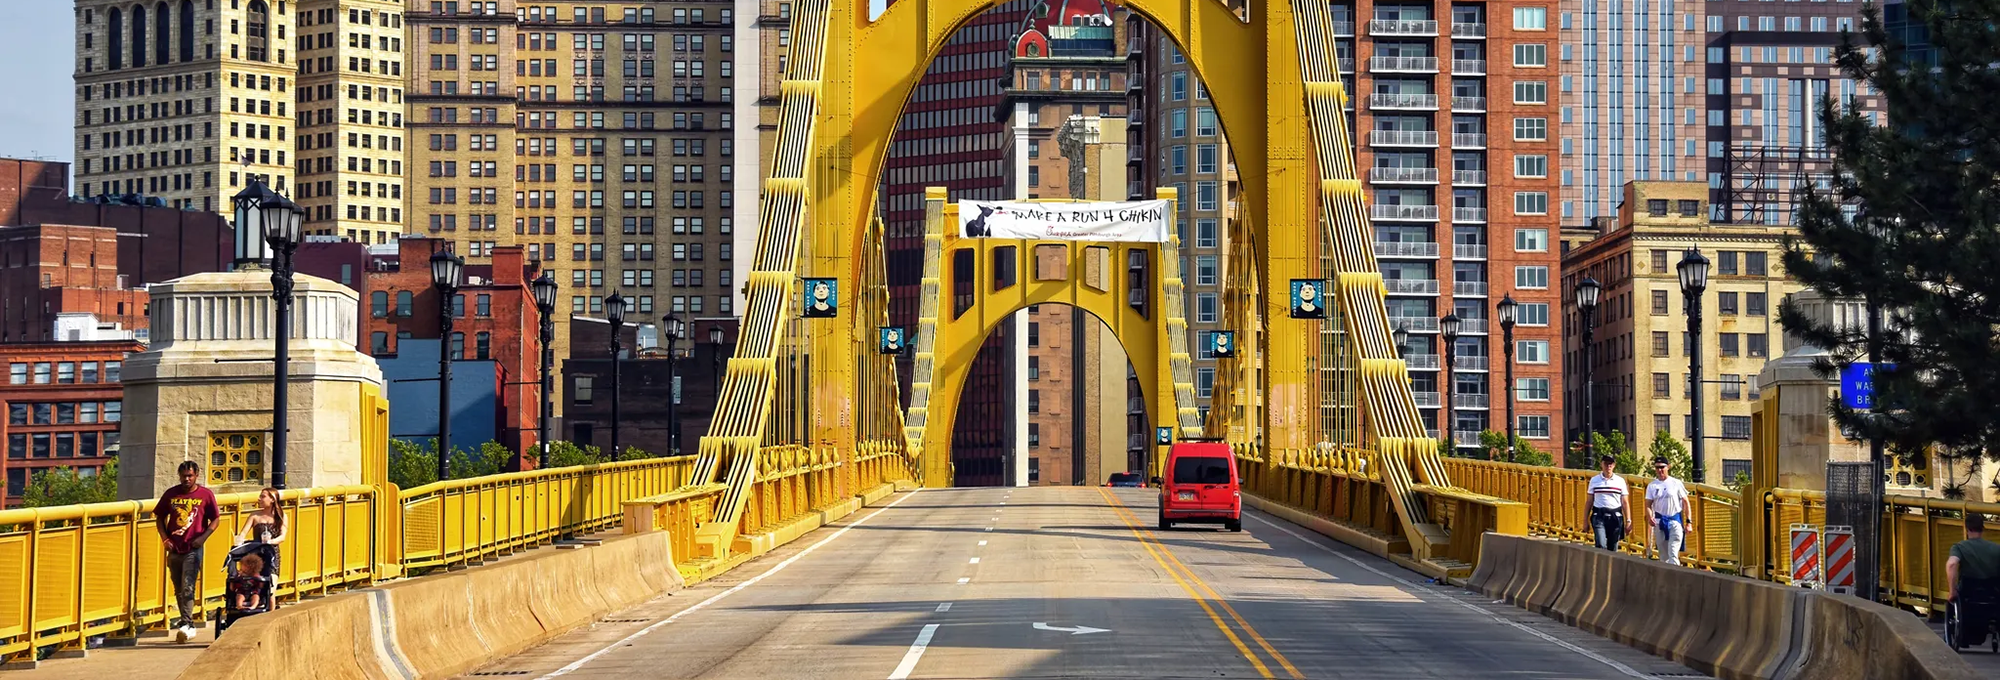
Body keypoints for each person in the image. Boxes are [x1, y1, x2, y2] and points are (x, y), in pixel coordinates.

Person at [155, 460, 219, 642]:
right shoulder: (171, 494)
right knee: (178, 587)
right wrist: (165, 539)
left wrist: (203, 537)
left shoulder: (205, 494)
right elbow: (160, 517)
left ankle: (187, 623)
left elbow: (215, 519)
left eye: (190, 476)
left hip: (193, 547)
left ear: (196, 475)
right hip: (174, 547)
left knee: (189, 584)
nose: (187, 479)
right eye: (184, 476)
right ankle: (186, 622)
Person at [1643, 457, 1694, 565]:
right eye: (1657, 468)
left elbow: (1686, 502)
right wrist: (1649, 516)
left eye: (1662, 467)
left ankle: (1675, 577)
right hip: (1660, 522)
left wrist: (1689, 522)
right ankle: (1665, 578)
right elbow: (1648, 504)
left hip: (1674, 521)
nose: (1660, 470)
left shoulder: (1676, 483)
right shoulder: (1652, 486)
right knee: (1663, 556)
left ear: (1668, 467)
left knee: (1673, 552)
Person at [1948, 512, 2000, 604]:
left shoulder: (1959, 547)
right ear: (1982, 529)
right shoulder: (1996, 548)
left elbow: (1952, 564)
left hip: (1968, 594)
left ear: (1967, 529)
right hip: (1993, 595)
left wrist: (1952, 592)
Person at [1585, 454, 1631, 551]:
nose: (1608, 466)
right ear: (1601, 464)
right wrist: (1585, 520)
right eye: (1606, 463)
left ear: (1614, 465)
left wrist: (1628, 521)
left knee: (1613, 547)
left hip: (1615, 515)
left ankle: (1611, 565)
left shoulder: (1620, 481)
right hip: (1599, 515)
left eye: (1611, 464)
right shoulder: (1594, 480)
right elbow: (1589, 501)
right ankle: (1601, 565)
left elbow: (1625, 502)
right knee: (1601, 544)